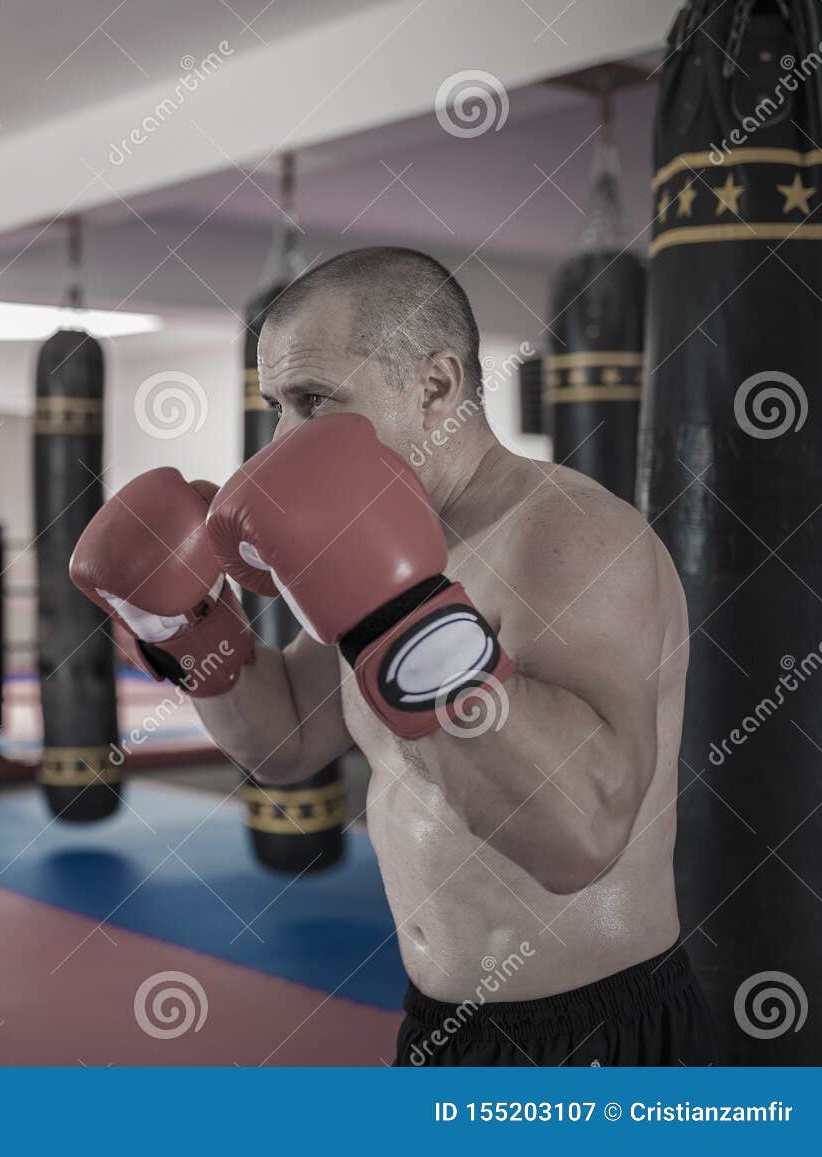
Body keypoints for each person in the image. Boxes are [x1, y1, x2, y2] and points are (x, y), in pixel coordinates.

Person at [70, 247, 715, 1066]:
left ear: (437, 385)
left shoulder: (567, 535)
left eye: (313, 401)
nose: (281, 439)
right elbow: (286, 739)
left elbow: (580, 835)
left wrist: (402, 617)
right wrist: (186, 630)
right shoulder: (388, 551)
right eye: (275, 405)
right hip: (439, 1025)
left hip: (594, 1040)